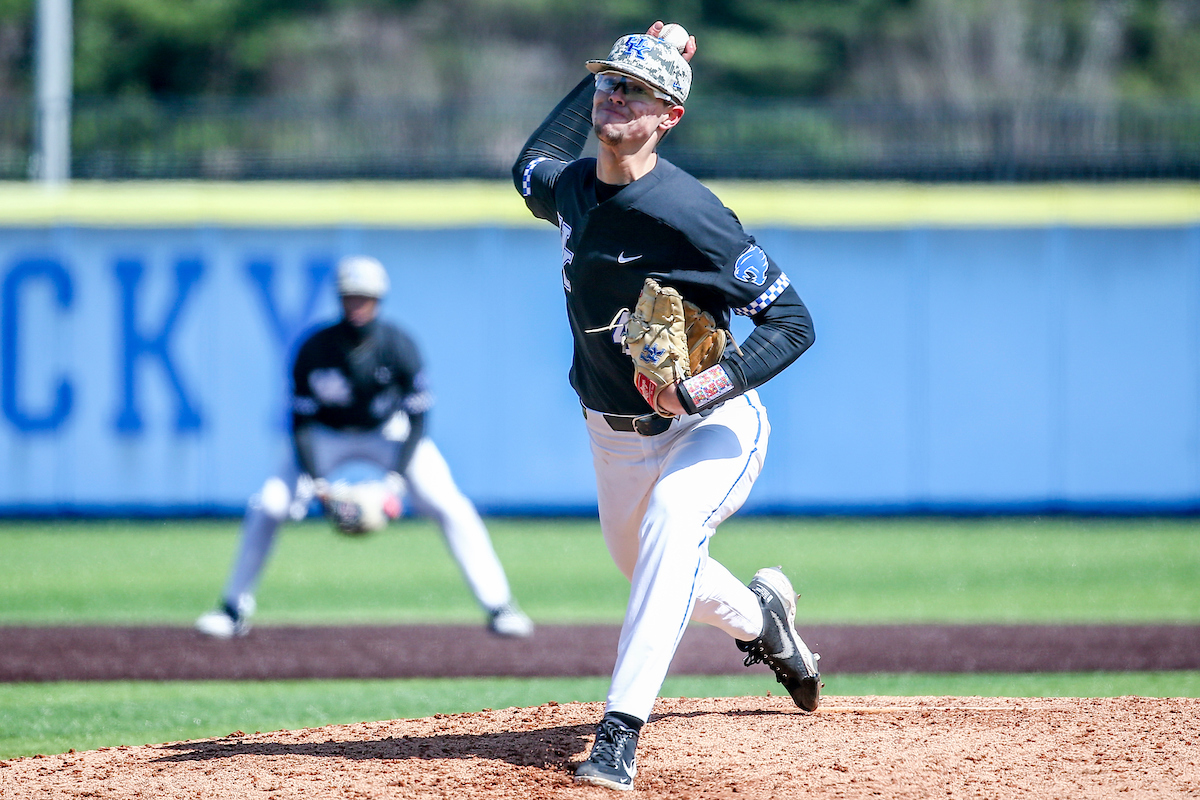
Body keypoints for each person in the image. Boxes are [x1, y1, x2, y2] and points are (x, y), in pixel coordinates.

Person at [512, 21, 821, 791]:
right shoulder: (571, 188)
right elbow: (527, 167)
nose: (614, 97)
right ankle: (764, 620)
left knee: (673, 526)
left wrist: (702, 387)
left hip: (711, 423)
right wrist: (611, 73)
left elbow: (793, 323)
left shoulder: (689, 213)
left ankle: (618, 735)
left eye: (635, 91)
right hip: (611, 432)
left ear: (669, 117)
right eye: (608, 84)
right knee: (652, 562)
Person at [196, 255, 534, 640]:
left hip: (387, 433)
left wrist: (394, 481)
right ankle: (233, 608)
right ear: (339, 299)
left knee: (450, 505)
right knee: (269, 505)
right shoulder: (315, 348)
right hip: (325, 434)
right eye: (350, 296)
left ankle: (500, 605)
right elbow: (301, 423)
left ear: (378, 299)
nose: (357, 304)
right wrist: (319, 485)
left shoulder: (398, 345)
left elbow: (417, 420)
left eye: (365, 296)